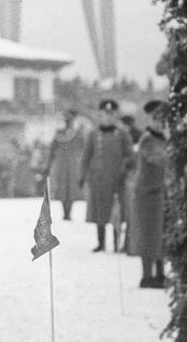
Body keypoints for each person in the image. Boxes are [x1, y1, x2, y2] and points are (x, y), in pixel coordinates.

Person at [80, 98, 135, 252]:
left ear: (115, 115)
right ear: (100, 115)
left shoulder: (122, 133)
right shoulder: (93, 133)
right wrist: (82, 175)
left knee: (117, 211)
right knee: (100, 210)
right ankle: (101, 242)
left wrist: (125, 167)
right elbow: (86, 155)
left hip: (118, 179)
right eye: (105, 114)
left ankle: (117, 243)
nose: (108, 117)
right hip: (98, 180)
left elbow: (130, 154)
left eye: (111, 114)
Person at [128, 100, 168, 288]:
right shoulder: (147, 140)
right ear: (150, 119)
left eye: (162, 119)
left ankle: (160, 274)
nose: (159, 122)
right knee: (148, 234)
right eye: (156, 118)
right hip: (147, 193)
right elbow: (158, 159)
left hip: (161, 193)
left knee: (162, 233)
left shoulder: (163, 139)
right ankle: (146, 276)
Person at [43, 111, 85, 220]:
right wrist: (48, 164)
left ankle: (68, 212)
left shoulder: (77, 134)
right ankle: (65, 212)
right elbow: (52, 150)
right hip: (61, 165)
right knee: (62, 189)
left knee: (71, 189)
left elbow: (83, 149)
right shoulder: (60, 134)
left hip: (72, 166)